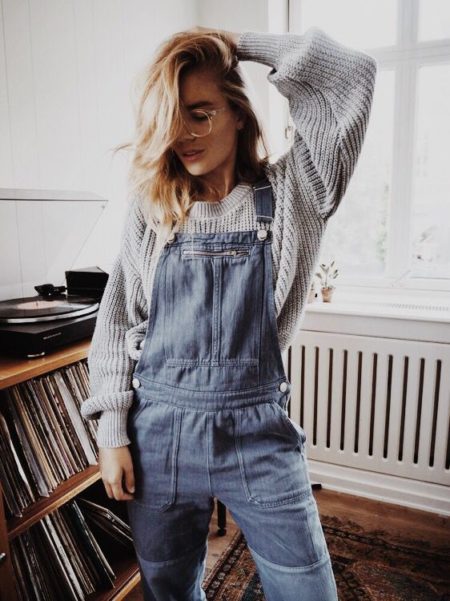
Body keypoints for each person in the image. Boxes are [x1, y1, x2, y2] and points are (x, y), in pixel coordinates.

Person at [80, 23, 377, 601]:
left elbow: (350, 75)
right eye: (172, 119)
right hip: (158, 438)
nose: (183, 135)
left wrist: (228, 42)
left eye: (200, 113)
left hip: (259, 437)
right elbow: (115, 321)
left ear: (240, 113)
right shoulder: (152, 206)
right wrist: (112, 433)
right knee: (169, 589)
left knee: (308, 589)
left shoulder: (297, 193)